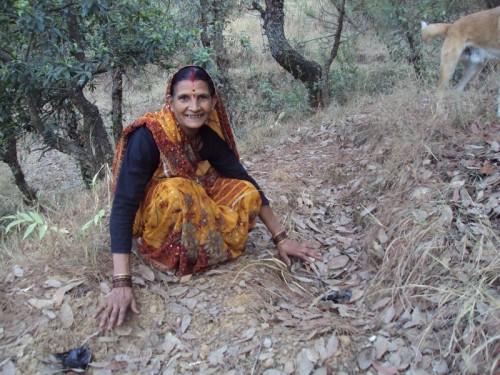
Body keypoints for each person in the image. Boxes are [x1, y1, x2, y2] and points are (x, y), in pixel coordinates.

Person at [94, 66, 322, 330]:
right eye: (184, 98)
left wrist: (281, 238)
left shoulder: (205, 137)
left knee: (245, 195)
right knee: (179, 191)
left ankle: (204, 249)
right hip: (154, 215)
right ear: (170, 102)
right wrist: (121, 283)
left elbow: (246, 181)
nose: (194, 106)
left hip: (189, 201)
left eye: (202, 97)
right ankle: (164, 255)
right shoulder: (148, 136)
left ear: (214, 102)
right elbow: (123, 206)